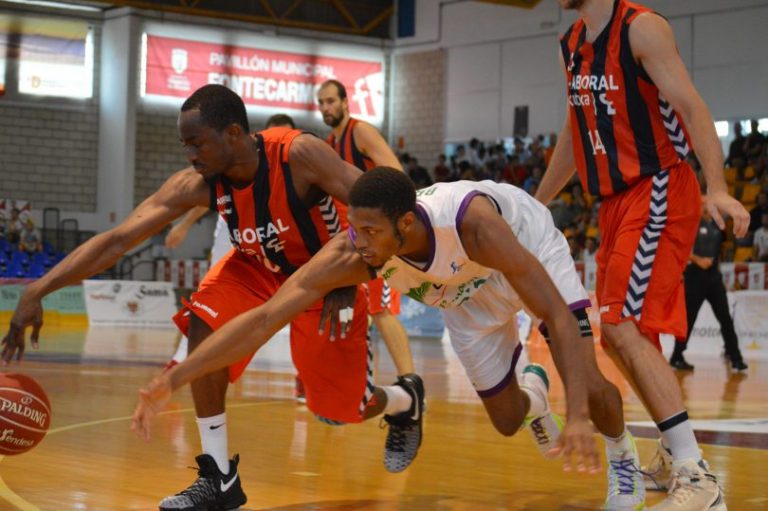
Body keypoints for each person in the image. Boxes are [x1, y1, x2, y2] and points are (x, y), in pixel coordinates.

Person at [2, 85, 426, 511]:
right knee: (201, 320)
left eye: (196, 142)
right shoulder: (199, 183)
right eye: (185, 144)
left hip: (324, 275)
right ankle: (219, 476)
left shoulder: (299, 155)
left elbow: (374, 204)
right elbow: (118, 240)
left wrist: (348, 276)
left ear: (235, 134)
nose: (190, 153)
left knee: (339, 411)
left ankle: (406, 400)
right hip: (255, 269)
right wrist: (39, 289)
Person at [133, 168, 639, 508]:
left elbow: (555, 312)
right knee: (508, 421)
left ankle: (624, 463)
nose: (360, 242)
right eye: (354, 229)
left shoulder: (474, 224)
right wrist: (179, 375)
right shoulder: (354, 251)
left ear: (405, 223)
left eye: (371, 232)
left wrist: (575, 415)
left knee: (588, 385)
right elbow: (265, 318)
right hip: (460, 295)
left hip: (521, 256)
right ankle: (531, 391)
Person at [537, 1, 750, 509]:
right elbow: (574, 132)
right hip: (612, 201)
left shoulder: (642, 29)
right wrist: (533, 204)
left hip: (656, 187)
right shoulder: (571, 44)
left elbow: (694, 107)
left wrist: (716, 188)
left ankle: (698, 478)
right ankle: (672, 456)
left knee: (620, 327)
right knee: (621, 335)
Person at [162, 113, 309, 402]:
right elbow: (206, 196)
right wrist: (185, 224)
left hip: (279, 238)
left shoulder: (296, 165)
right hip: (235, 231)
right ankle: (181, 360)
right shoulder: (239, 166)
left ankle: (302, 373)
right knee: (206, 298)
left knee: (298, 300)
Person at [317, 79, 415, 378]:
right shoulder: (329, 144)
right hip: (350, 240)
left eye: (331, 101)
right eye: (321, 103)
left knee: (381, 310)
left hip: (378, 238)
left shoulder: (360, 132)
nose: (326, 108)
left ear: (346, 102)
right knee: (350, 307)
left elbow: (396, 174)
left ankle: (411, 383)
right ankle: (354, 375)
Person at [670, 205, 748, 373]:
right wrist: (698, 260)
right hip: (695, 276)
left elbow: (719, 251)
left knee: (725, 318)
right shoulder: (691, 224)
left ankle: (736, 358)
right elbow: (678, 248)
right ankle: (677, 356)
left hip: (713, 277)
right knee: (689, 319)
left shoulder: (718, 226)